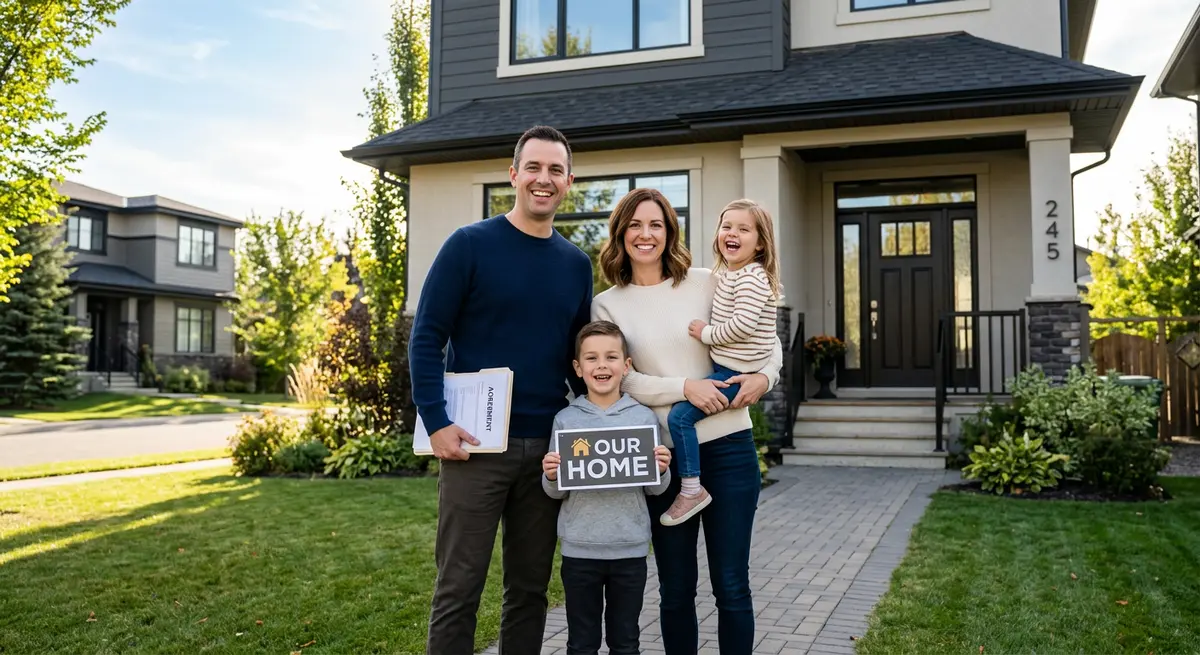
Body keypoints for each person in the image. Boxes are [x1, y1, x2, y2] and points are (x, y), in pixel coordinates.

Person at [410, 124, 594, 655]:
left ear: (568, 181)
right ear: (513, 174)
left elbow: (576, 361)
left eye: (555, 170)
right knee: (459, 587)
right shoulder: (470, 245)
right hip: (474, 447)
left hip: (545, 453)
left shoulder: (576, 265)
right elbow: (426, 338)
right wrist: (437, 421)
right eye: (533, 167)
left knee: (530, 591)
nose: (544, 179)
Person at [590, 188, 782, 655]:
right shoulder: (608, 305)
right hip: (666, 459)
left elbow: (762, 336)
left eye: (656, 224)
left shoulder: (708, 282)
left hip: (730, 451)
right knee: (675, 591)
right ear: (621, 233)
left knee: (732, 586)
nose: (646, 234)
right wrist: (685, 388)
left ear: (669, 232)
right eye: (635, 224)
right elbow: (624, 382)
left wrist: (766, 375)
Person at [540, 319, 673, 655]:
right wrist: (552, 475)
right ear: (578, 367)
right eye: (592, 358)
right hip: (579, 548)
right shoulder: (566, 420)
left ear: (625, 365)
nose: (602, 365)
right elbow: (557, 492)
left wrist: (661, 469)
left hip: (630, 548)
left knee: (625, 642)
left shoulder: (643, 419)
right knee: (581, 643)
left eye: (611, 357)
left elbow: (654, 490)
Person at [660, 199, 783, 526]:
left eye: (744, 229)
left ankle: (690, 489)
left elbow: (744, 326)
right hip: (729, 369)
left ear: (760, 243)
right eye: (727, 226)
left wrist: (706, 333)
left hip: (735, 374)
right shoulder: (729, 275)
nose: (732, 233)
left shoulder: (750, 278)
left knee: (681, 418)